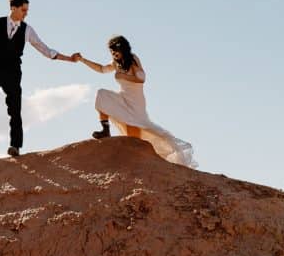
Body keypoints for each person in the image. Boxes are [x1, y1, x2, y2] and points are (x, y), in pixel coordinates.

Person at [0, 0, 76, 157]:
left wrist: (69, 58)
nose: (26, 14)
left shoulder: (28, 30)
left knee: (15, 110)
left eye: (27, 10)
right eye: (23, 10)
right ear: (13, 8)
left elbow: (46, 50)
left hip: (13, 73)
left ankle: (15, 146)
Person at [74, 35, 196, 168]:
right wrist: (82, 60)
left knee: (133, 136)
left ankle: (146, 162)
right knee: (102, 95)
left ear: (123, 50)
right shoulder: (116, 63)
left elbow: (141, 78)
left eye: (116, 51)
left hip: (135, 102)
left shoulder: (132, 59)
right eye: (112, 51)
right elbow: (102, 69)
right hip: (123, 97)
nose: (114, 54)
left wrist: (123, 75)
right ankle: (105, 130)